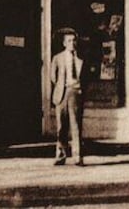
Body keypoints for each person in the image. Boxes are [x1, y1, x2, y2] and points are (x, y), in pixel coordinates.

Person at [51, 27, 84, 166]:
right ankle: (61, 155)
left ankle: (77, 156)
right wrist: (61, 86)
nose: (72, 43)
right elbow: (53, 77)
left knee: (76, 125)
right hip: (62, 93)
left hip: (75, 92)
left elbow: (86, 76)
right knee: (61, 126)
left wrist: (79, 89)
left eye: (74, 40)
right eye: (69, 41)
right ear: (64, 43)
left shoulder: (81, 58)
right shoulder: (58, 58)